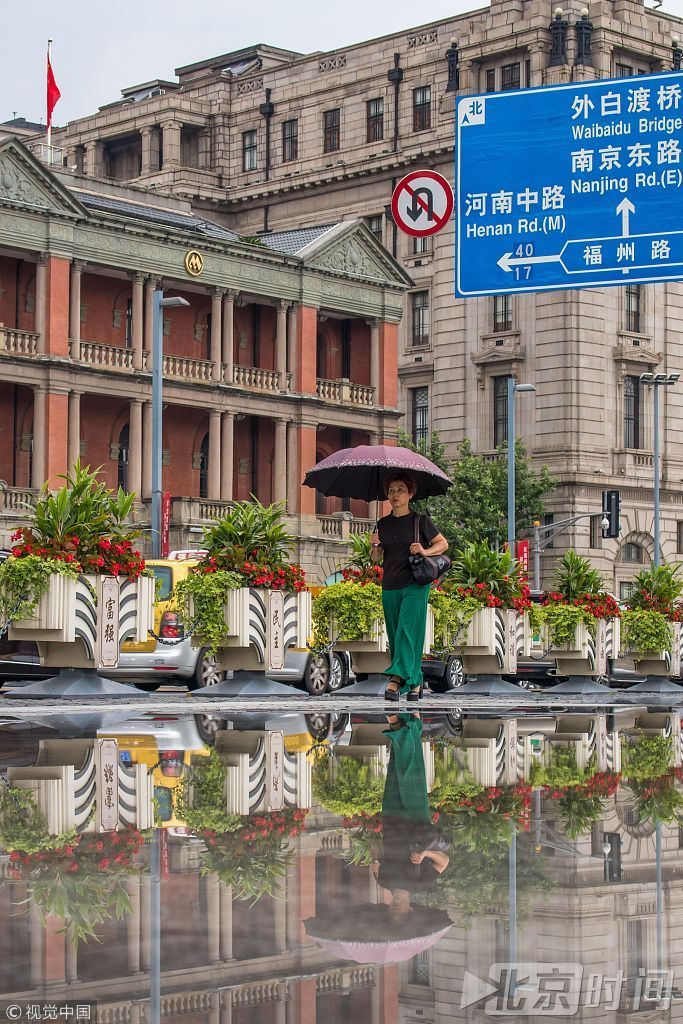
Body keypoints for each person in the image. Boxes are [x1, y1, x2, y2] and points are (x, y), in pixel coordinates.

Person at [370, 471, 448, 700]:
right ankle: (414, 681)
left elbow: (443, 544)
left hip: (415, 584)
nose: (395, 494)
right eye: (391, 490)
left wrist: (425, 551)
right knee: (396, 635)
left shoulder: (420, 520)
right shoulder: (382, 524)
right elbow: (375, 559)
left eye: (401, 490)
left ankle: (395, 679)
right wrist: (374, 545)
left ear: (410, 494)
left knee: (406, 630)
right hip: (390, 585)